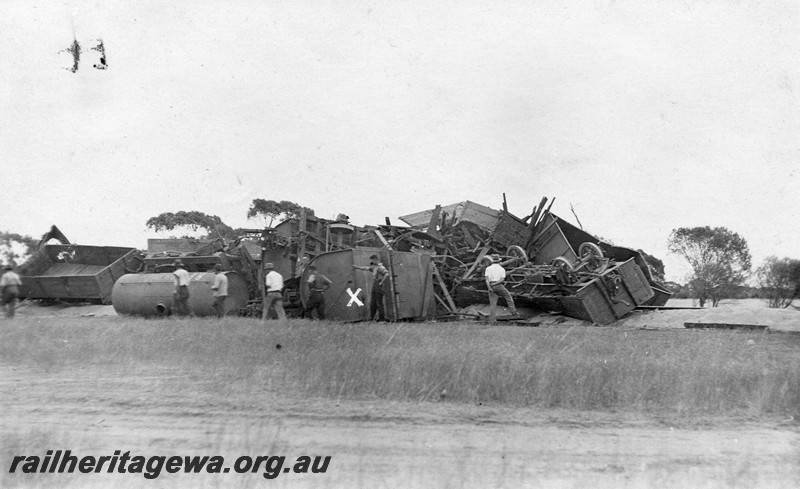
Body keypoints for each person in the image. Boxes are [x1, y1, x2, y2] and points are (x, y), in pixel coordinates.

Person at [353, 254, 389, 321]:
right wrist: (357, 267)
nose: (371, 262)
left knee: (379, 303)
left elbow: (386, 274)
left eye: (372, 260)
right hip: (375, 284)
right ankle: (372, 318)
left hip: (378, 284)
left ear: (375, 260)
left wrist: (381, 282)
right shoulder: (374, 268)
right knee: (373, 303)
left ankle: (382, 319)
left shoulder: (381, 267)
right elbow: (366, 268)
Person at [485, 254, 518, 322]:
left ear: (492, 261)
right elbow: (502, 280)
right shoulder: (502, 269)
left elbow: (486, 279)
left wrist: (489, 287)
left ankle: (493, 320)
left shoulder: (488, 268)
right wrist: (495, 284)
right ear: (499, 261)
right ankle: (514, 313)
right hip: (499, 286)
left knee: (493, 304)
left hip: (491, 286)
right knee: (508, 297)